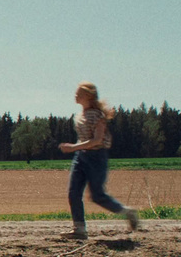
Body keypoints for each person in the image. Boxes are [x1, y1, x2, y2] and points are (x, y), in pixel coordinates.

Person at [57, 82, 140, 240]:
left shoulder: (98, 116)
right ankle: (79, 229)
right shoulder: (80, 115)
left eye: (78, 93)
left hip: (96, 158)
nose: (75, 95)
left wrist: (73, 147)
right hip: (81, 157)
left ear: (87, 95)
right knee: (73, 193)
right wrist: (77, 149)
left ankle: (127, 212)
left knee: (97, 195)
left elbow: (97, 141)